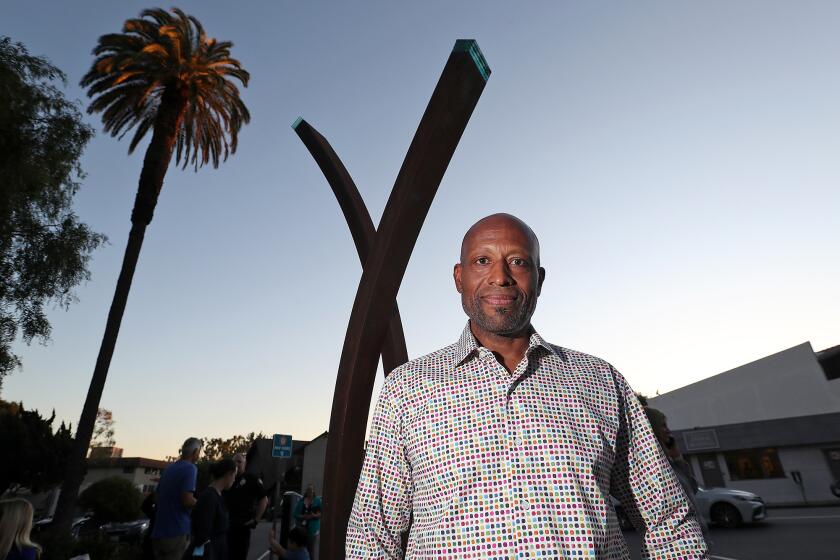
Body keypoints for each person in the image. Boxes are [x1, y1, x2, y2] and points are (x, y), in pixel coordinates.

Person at [346, 213, 709, 558]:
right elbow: (373, 533)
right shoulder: (408, 388)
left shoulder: (600, 380)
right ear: (459, 278)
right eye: (482, 261)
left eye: (518, 261)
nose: (500, 276)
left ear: (540, 277)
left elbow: (668, 519)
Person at [151, 437, 202, 560]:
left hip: (158, 532)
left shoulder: (169, 468)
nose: (199, 456)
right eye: (199, 452)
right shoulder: (191, 469)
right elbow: (187, 500)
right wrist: (201, 503)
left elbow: (156, 498)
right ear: (195, 452)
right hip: (176, 532)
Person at [189, 458, 237, 559]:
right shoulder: (209, 497)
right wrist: (202, 555)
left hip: (218, 550)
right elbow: (201, 536)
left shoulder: (218, 495)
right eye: (234, 476)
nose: (234, 479)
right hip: (210, 553)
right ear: (228, 474)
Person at [224, 453, 268, 560]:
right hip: (226, 526)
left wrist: (256, 520)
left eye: (239, 462)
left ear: (245, 463)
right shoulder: (227, 478)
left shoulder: (251, 479)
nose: (236, 464)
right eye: (234, 461)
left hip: (242, 527)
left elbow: (264, 500)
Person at [292, 485, 320, 559]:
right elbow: (295, 514)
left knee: (310, 549)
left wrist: (314, 515)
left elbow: (321, 513)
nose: (310, 492)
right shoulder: (301, 501)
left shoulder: (317, 500)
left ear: (313, 491)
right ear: (306, 492)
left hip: (312, 529)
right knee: (300, 549)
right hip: (301, 529)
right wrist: (303, 516)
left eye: (311, 490)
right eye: (308, 490)